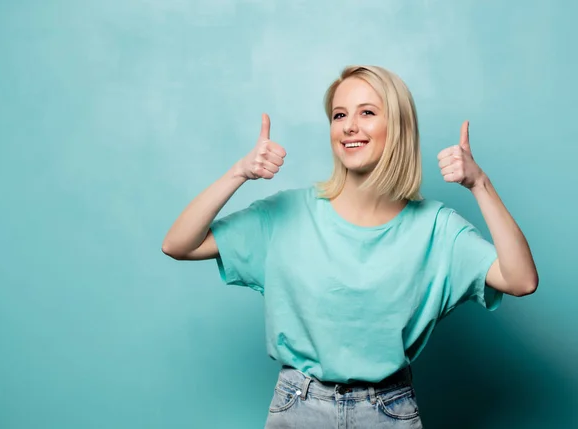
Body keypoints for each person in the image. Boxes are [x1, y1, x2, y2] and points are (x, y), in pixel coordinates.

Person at [161, 65, 539, 428]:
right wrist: (238, 173)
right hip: (298, 407)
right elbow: (179, 244)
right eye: (339, 115)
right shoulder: (286, 213)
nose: (349, 126)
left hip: (389, 410)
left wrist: (480, 184)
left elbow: (521, 280)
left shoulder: (435, 228)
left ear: (399, 127)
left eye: (368, 112)